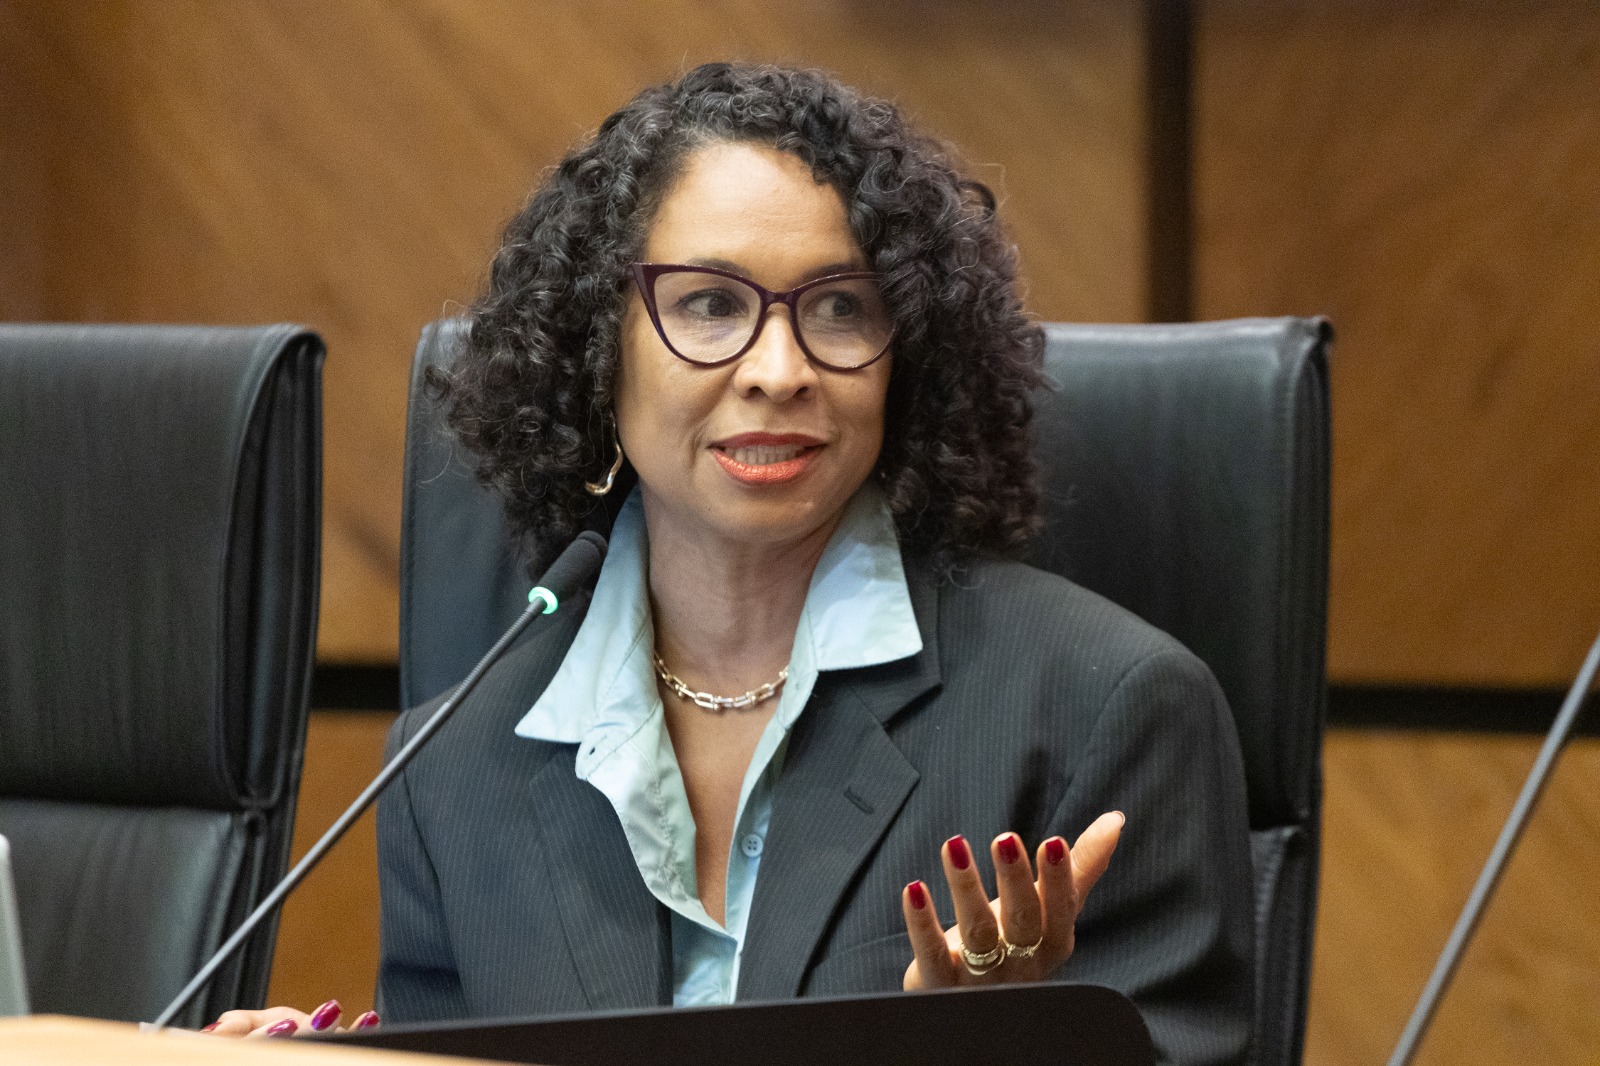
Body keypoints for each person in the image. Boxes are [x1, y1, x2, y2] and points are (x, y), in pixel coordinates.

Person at [210, 62, 1253, 1064]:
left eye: (840, 307)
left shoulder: (1106, 710)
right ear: (597, 349)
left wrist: (1005, 1056)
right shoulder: (450, 768)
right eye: (710, 305)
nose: (778, 371)